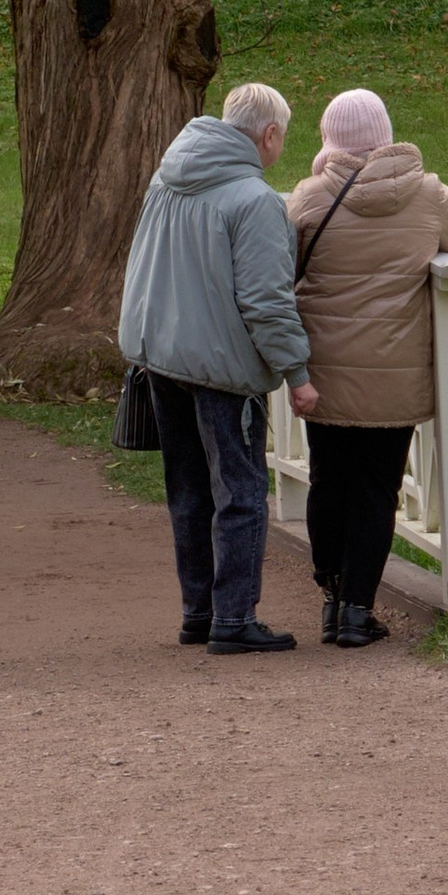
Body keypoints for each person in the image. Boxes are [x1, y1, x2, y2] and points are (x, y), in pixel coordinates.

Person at [116, 79, 320, 653]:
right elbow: (266, 302)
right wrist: (297, 374)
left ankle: (198, 612)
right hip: (219, 367)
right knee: (240, 489)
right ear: (270, 135)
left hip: (161, 357)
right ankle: (234, 619)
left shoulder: (167, 177)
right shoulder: (254, 201)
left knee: (187, 488)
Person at [286, 86, 448, 650]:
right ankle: (356, 611)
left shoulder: (311, 196)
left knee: (328, 479)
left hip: (326, 373)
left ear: (329, 140)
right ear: (388, 135)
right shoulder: (431, 194)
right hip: (397, 372)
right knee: (377, 490)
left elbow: (285, 256)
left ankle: (331, 594)